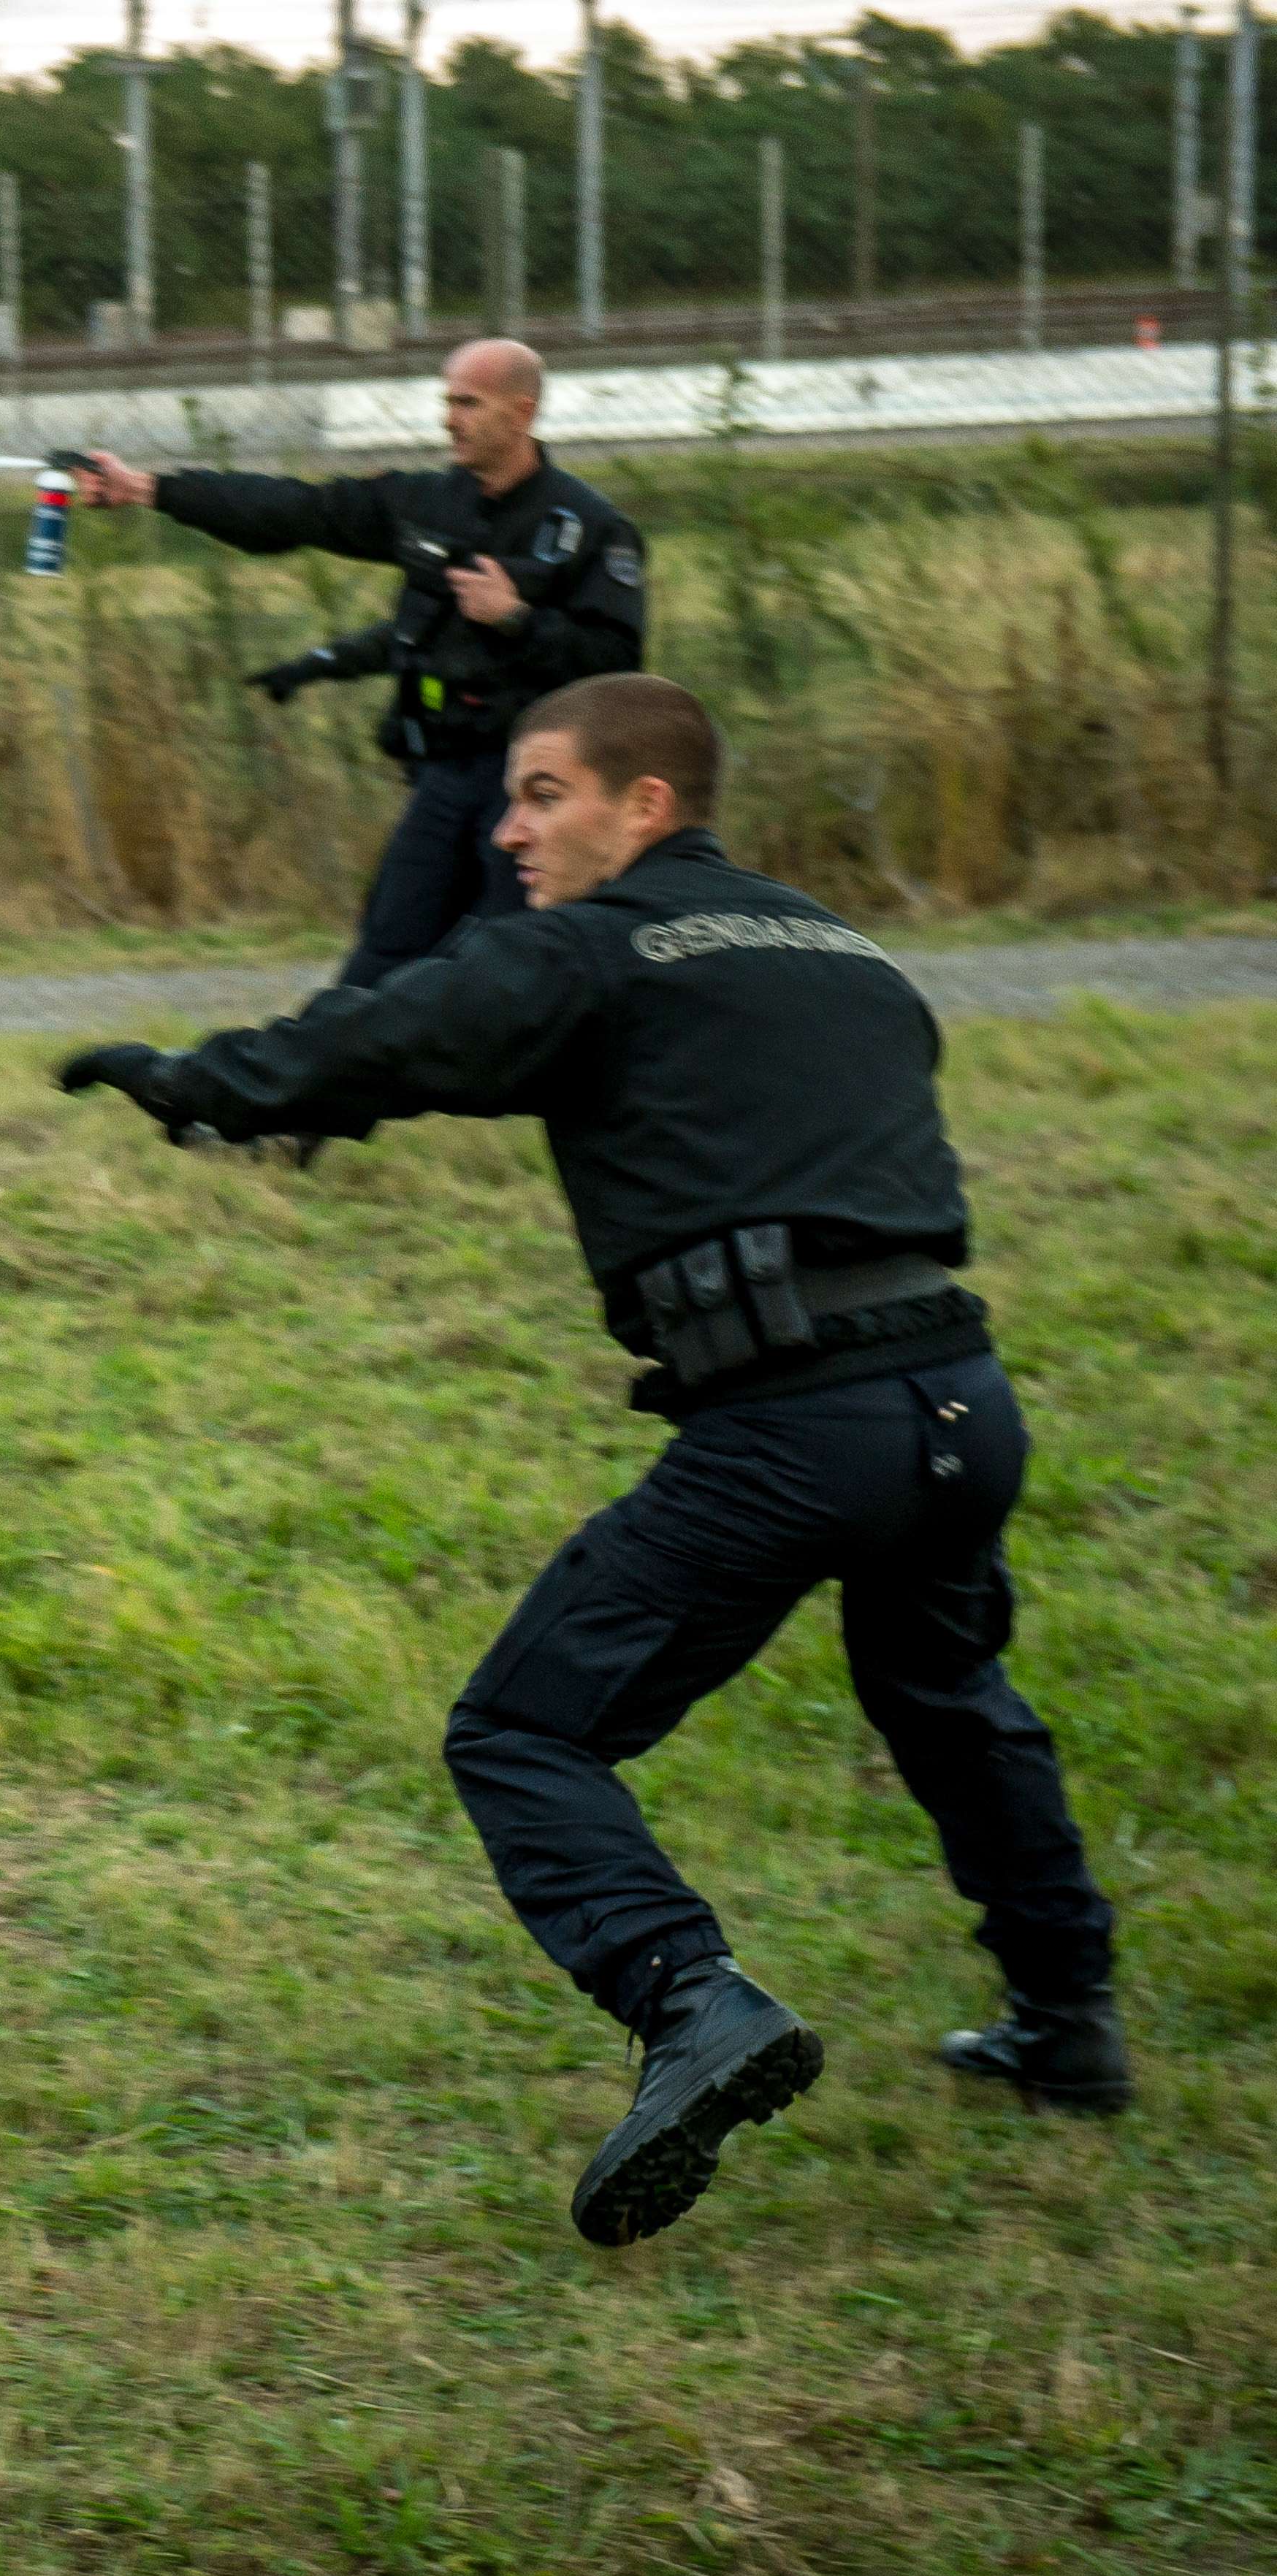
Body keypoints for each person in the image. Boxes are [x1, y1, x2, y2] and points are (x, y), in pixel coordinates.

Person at [56, 673, 1125, 2250]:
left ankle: (691, 1998)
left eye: (544, 793)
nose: (509, 827)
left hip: (792, 1425)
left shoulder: (600, 946)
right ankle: (1071, 2017)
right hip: (961, 1403)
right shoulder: (845, 946)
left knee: (522, 1729)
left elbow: (397, 1030)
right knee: (949, 1696)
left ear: (647, 804)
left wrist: (199, 1081)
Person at [72, 340, 646, 988]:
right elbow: (296, 511)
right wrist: (149, 489)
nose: (449, 419)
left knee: (515, 960)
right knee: (384, 955)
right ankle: (342, 1082)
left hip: (530, 786)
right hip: (441, 772)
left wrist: (516, 618)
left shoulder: (591, 526)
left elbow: (618, 666)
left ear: (522, 412)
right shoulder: (426, 503)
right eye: (447, 402)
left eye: (468, 403)